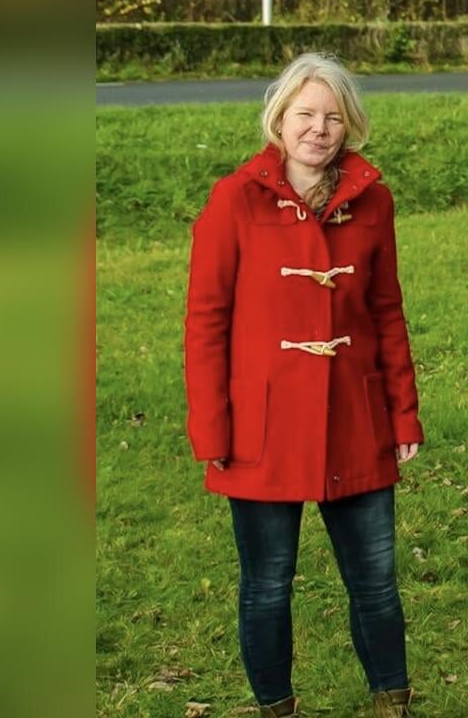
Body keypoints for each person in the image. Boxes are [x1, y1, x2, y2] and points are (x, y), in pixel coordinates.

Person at [183, 52, 424, 718]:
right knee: (266, 585)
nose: (318, 128)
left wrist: (403, 414)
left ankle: (391, 703)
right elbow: (205, 321)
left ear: (349, 125)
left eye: (332, 116)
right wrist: (211, 427)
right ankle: (275, 707)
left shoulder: (373, 201)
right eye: (305, 114)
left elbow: (386, 313)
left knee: (375, 584)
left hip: (356, 418)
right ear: (279, 118)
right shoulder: (233, 199)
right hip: (260, 428)